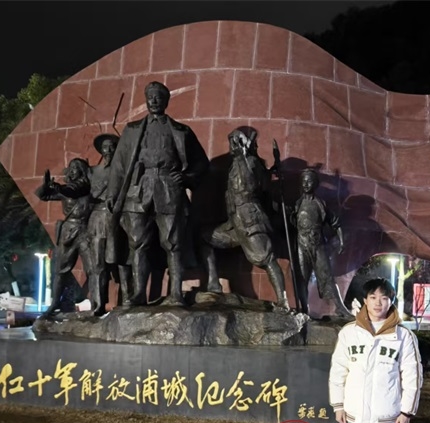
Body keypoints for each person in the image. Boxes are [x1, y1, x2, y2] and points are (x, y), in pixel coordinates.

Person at [106, 81, 209, 306]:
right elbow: (119, 165)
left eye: (158, 97)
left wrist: (187, 177)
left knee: (173, 243)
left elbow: (202, 163)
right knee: (137, 243)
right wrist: (113, 194)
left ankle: (175, 293)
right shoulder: (132, 130)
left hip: (169, 188)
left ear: (166, 101)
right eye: (150, 96)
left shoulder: (181, 130)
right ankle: (139, 293)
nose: (153, 100)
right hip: (138, 189)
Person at [329, 278, 423, 423]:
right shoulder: (349, 332)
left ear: (391, 301)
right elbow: (338, 371)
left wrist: (406, 410)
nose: (378, 303)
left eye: (384, 298)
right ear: (365, 300)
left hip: (387, 418)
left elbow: (412, 376)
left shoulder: (403, 336)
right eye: (373, 297)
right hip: (355, 416)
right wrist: (338, 405)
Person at [201, 127, 289, 312]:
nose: (233, 146)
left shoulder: (251, 162)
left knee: (266, 258)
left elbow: (259, 181)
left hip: (250, 221)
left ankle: (283, 301)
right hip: (234, 223)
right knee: (205, 236)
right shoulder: (236, 164)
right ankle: (213, 284)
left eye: (236, 141)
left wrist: (257, 162)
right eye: (231, 142)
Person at [35, 158, 93, 318]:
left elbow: (73, 190)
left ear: (82, 171)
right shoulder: (65, 190)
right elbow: (42, 196)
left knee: (93, 269)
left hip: (86, 231)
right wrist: (46, 185)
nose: (72, 171)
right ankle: (55, 303)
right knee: (61, 270)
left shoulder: (87, 186)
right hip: (68, 232)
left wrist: (59, 187)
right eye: (71, 168)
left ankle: (96, 303)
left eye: (76, 168)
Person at [88, 133, 132, 315]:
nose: (108, 150)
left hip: (119, 217)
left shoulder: (125, 169)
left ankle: (128, 298)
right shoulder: (92, 171)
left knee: (123, 260)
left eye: (113, 146)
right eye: (105, 147)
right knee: (98, 264)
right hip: (97, 219)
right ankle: (99, 303)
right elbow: (79, 189)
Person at [291, 169, 344, 315]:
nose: (306, 184)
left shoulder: (321, 204)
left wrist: (341, 241)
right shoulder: (297, 204)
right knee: (302, 278)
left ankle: (339, 307)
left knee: (326, 275)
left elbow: (336, 223)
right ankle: (304, 308)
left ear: (315, 184)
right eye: (304, 181)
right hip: (301, 244)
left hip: (318, 244)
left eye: (309, 181)